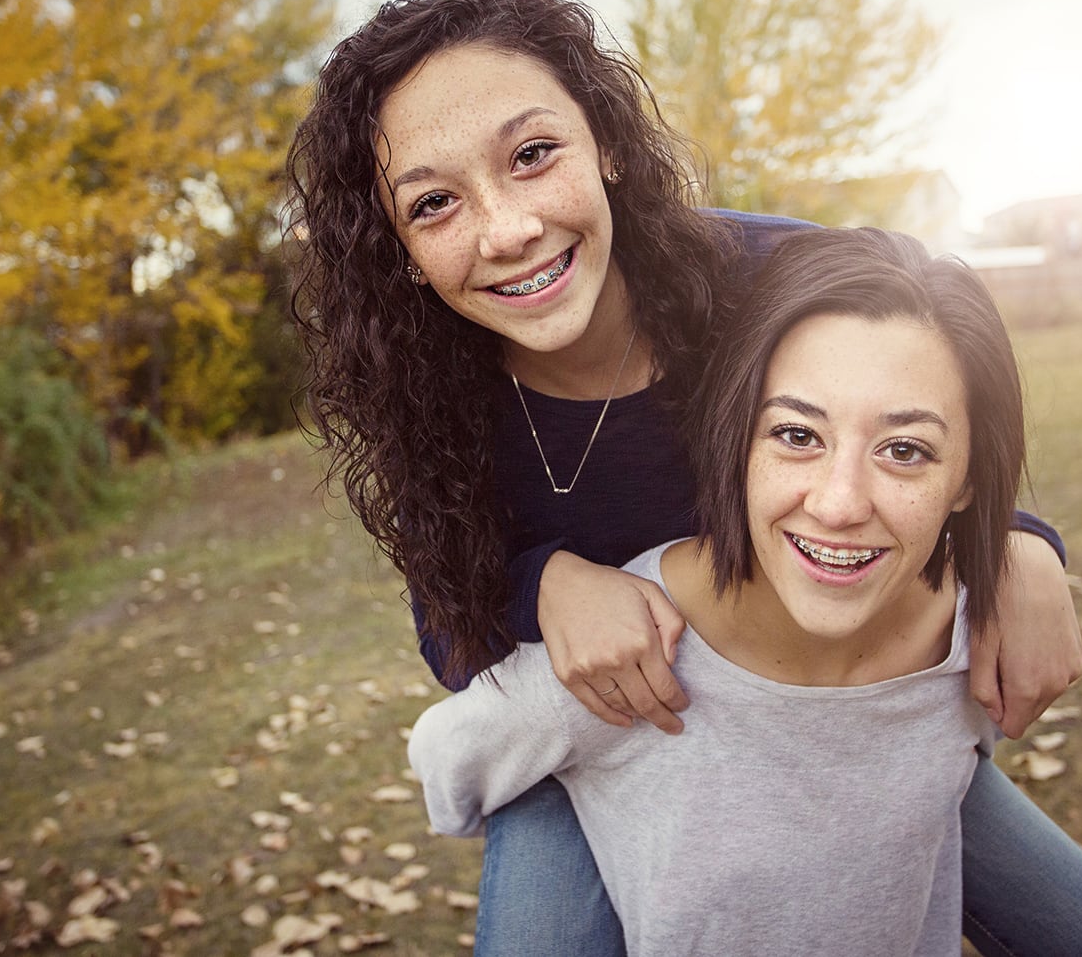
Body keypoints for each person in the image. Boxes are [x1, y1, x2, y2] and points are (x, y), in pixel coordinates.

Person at [285, 0, 1082, 955]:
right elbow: (448, 624)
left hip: (825, 710)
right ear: (400, 247)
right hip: (601, 737)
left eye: (533, 155)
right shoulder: (422, 386)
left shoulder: (773, 284)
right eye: (436, 203)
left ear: (606, 143)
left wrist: (1019, 542)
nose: (506, 229)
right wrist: (549, 587)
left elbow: (936, 404)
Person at [409, 227, 1021, 955]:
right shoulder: (630, 660)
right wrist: (570, 787)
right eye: (798, 435)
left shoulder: (971, 649)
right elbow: (449, 761)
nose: (839, 502)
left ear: (970, 477)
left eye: (904, 450)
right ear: (737, 441)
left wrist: (1027, 554)